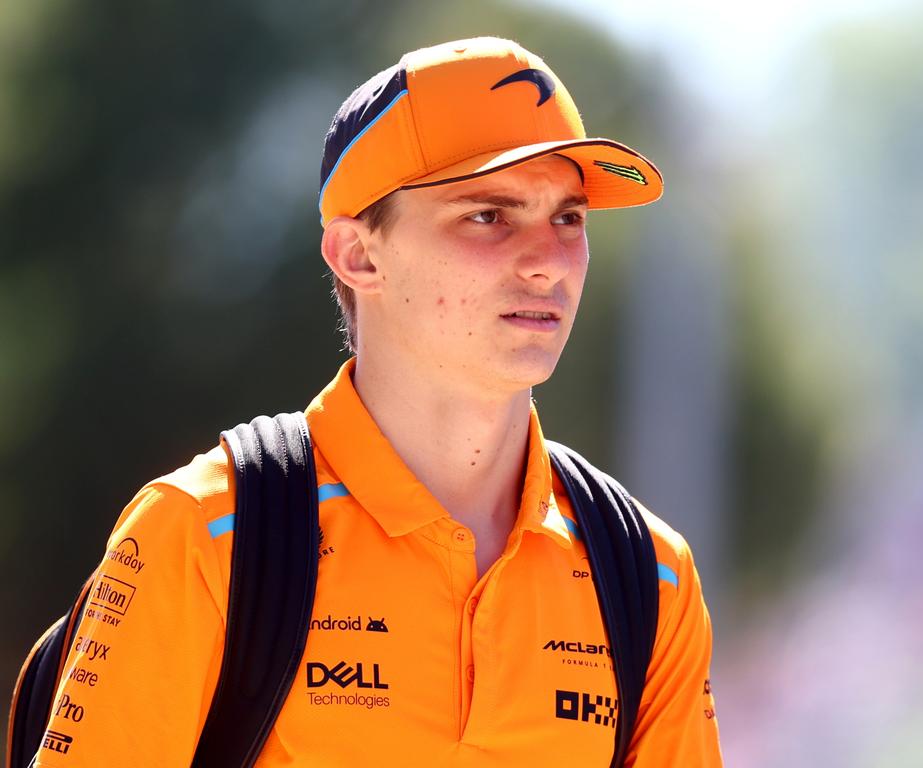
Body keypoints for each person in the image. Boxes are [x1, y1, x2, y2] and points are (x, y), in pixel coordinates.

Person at [31, 37, 722, 767]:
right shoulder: (206, 535)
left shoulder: (649, 572)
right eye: (488, 215)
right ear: (358, 255)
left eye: (570, 218)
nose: (549, 260)